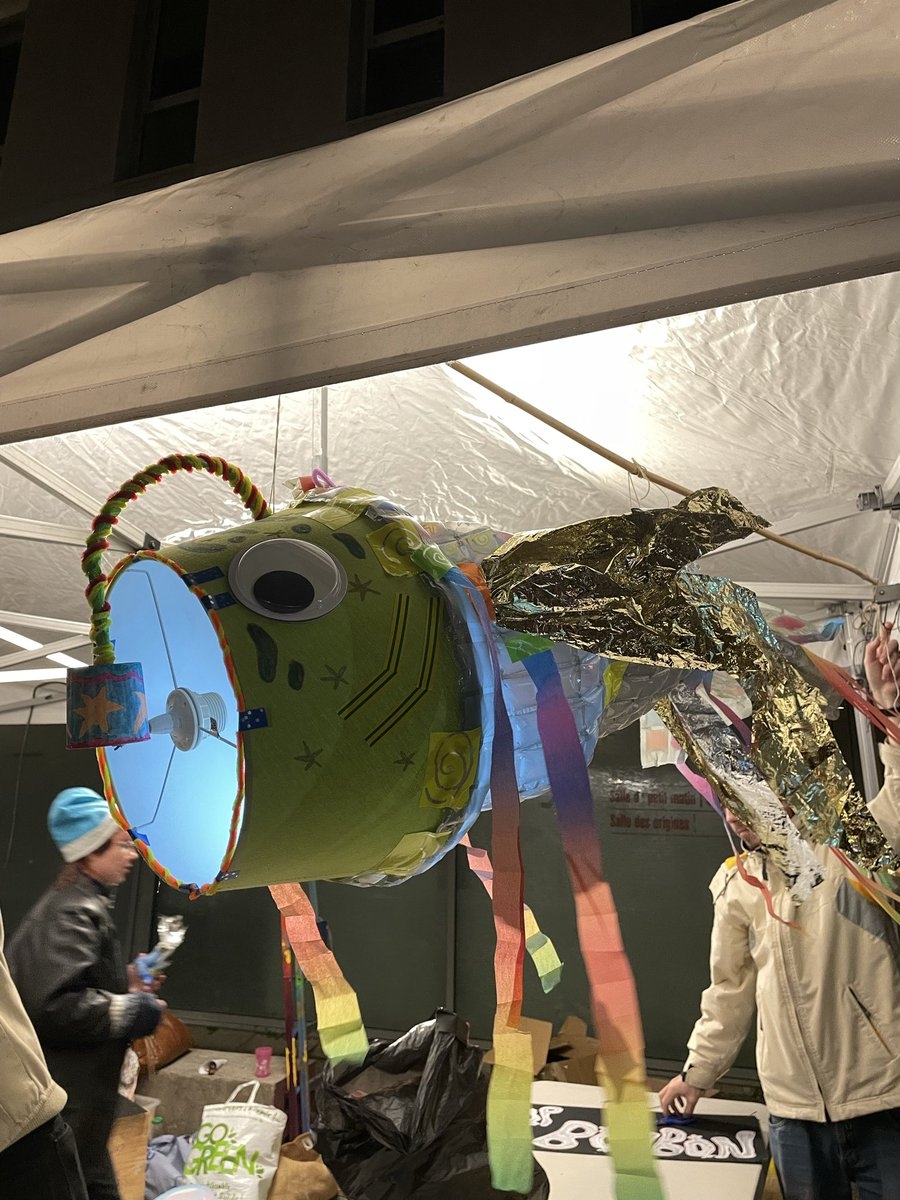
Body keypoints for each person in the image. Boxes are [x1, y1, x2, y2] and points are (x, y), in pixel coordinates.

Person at [659, 624, 900, 1200]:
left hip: (881, 1098)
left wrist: (891, 709)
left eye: (746, 793)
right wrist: (697, 1075)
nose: (735, 812)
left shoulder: (850, 852)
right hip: (792, 1111)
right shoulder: (736, 885)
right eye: (726, 797)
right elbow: (729, 990)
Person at [7, 787, 166, 1200]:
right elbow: (51, 1004)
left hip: (82, 1111)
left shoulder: (77, 903)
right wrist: (128, 1010)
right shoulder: (72, 912)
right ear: (91, 852)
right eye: (122, 845)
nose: (132, 855)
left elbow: (73, 984)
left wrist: (127, 982)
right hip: (68, 1104)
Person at [0, 906, 88, 1198]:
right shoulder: (66, 911)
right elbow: (51, 1004)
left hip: (19, 1130)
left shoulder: (83, 909)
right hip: (22, 1132)